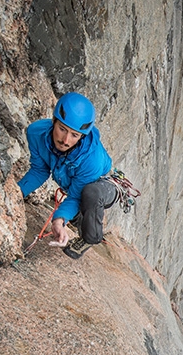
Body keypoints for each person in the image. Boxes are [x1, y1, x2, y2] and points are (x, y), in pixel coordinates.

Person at [18, 92, 117, 259]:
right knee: (79, 202)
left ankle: (90, 238)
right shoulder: (37, 133)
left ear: (82, 136)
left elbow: (76, 197)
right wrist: (17, 193)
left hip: (104, 185)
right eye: (62, 129)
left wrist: (59, 220)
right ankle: (78, 217)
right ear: (53, 122)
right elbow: (39, 170)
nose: (65, 140)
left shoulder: (92, 159)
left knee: (91, 193)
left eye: (74, 135)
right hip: (74, 185)